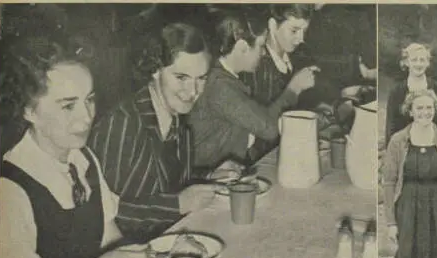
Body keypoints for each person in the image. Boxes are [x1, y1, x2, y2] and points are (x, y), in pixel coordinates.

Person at [0, 36, 148, 258]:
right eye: (68, 106)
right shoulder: (8, 192)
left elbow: (109, 238)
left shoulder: (83, 158)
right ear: (29, 110)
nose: (87, 117)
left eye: (89, 100)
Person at [87, 23, 227, 243]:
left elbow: (165, 182)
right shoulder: (123, 123)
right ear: (155, 69)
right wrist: (177, 205)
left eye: (201, 79)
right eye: (181, 77)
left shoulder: (177, 118)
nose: (193, 92)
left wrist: (210, 176)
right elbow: (99, 213)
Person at [189, 12, 319, 169]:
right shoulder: (220, 85)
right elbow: (269, 129)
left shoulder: (224, 77)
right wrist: (293, 89)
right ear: (242, 47)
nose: (263, 52)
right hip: (208, 176)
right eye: (260, 45)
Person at [382, 89, 437, 258]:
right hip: (408, 206)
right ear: (410, 111)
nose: (425, 112)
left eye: (429, 107)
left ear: (436, 110)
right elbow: (389, 182)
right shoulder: (398, 140)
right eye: (419, 108)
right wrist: (391, 223)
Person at [238, 4, 318, 163]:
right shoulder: (255, 67)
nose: (301, 39)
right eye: (294, 31)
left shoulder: (292, 59)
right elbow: (261, 128)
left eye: (304, 31)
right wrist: (295, 88)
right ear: (273, 25)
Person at [384, 43, 437, 145]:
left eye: (422, 60)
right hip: (405, 148)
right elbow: (391, 128)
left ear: (428, 63)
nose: (418, 64)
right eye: (414, 60)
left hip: (433, 146)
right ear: (406, 62)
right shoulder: (396, 92)